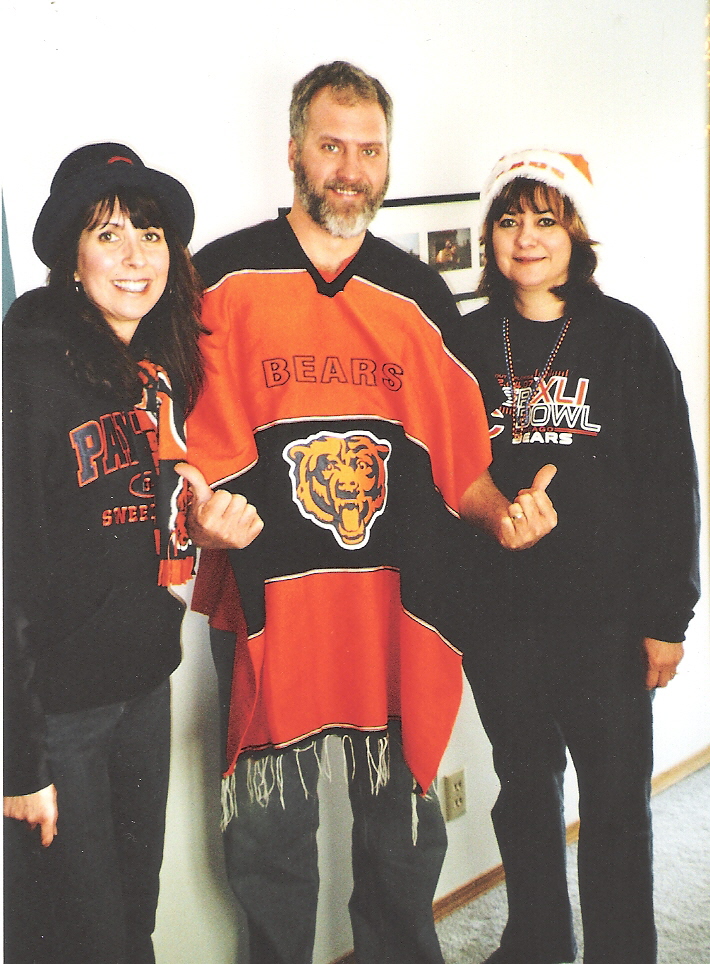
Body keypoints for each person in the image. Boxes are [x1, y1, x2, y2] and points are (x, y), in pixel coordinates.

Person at [185, 63, 557, 964]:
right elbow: (181, 455)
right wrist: (199, 517)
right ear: (294, 152)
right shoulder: (218, 278)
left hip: (396, 599)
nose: (351, 170)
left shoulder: (416, 293)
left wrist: (504, 514)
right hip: (270, 600)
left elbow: (460, 463)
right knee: (268, 840)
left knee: (401, 834)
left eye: (370, 150)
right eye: (331, 146)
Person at [2, 143, 262, 964]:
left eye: (149, 234)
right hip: (60, 716)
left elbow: (136, 523)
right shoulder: (27, 369)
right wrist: (18, 766)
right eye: (107, 234)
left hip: (145, 686)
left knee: (133, 922)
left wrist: (203, 528)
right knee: (80, 940)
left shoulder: (155, 370)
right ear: (71, 258)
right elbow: (7, 574)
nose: (134, 256)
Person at [450, 150, 700, 964]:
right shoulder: (465, 341)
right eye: (509, 220)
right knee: (524, 794)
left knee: (617, 806)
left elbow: (672, 485)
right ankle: (537, 944)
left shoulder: (626, 337)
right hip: (501, 618)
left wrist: (669, 619)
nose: (526, 238)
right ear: (489, 235)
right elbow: (445, 471)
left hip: (608, 622)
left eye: (546, 220)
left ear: (577, 233)